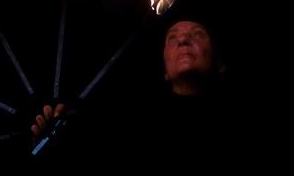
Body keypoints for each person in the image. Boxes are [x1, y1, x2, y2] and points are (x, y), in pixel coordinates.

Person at [30, 20, 231, 159]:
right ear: (165, 71)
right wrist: (51, 147)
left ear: (220, 63)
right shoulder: (134, 125)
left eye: (197, 34)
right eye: (172, 38)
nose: (183, 40)